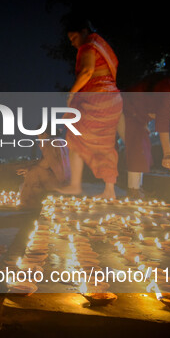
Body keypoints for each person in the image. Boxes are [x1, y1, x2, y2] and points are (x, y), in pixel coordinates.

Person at [56, 14, 123, 199]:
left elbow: (87, 71)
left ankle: (75, 185)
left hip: (97, 99)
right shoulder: (101, 44)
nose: (72, 43)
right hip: (113, 100)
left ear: (84, 32)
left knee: (74, 137)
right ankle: (109, 190)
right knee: (106, 145)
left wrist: (72, 94)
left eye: (74, 38)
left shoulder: (89, 45)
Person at [122, 72, 170, 199]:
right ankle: (133, 190)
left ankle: (137, 189)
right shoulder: (169, 87)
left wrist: (145, 121)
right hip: (128, 109)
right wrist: (168, 154)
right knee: (137, 149)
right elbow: (162, 122)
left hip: (138, 116)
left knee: (143, 149)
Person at [17, 132, 70, 208]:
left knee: (33, 173)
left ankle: (26, 204)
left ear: (45, 134)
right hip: (66, 179)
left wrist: (29, 170)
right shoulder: (61, 141)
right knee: (33, 174)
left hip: (58, 181)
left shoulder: (50, 143)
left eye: (38, 135)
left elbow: (45, 164)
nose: (38, 138)